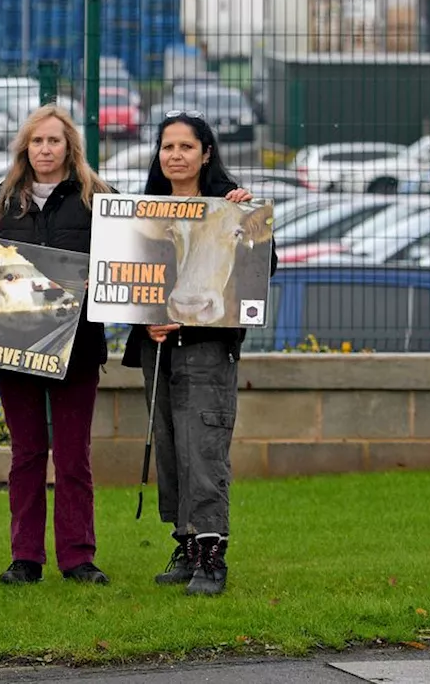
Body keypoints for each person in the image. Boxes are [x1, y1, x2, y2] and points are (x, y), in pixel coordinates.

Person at [121, 111, 275, 597]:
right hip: (160, 348)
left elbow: (263, 266)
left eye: (187, 147)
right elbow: (126, 279)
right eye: (168, 147)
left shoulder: (231, 206)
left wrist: (248, 221)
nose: (176, 156)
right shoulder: (144, 212)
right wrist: (148, 318)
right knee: (169, 447)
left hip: (209, 348)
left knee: (203, 448)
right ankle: (186, 545)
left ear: (206, 153)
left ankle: (213, 557)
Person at [0, 105, 113, 586]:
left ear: (69, 147)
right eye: (37, 141)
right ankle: (25, 558)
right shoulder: (2, 202)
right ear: (24, 148)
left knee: (74, 456)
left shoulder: (99, 198)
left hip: (78, 348)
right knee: (27, 453)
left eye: (54, 141)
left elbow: (124, 265)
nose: (45, 149)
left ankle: (78, 558)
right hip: (15, 350)